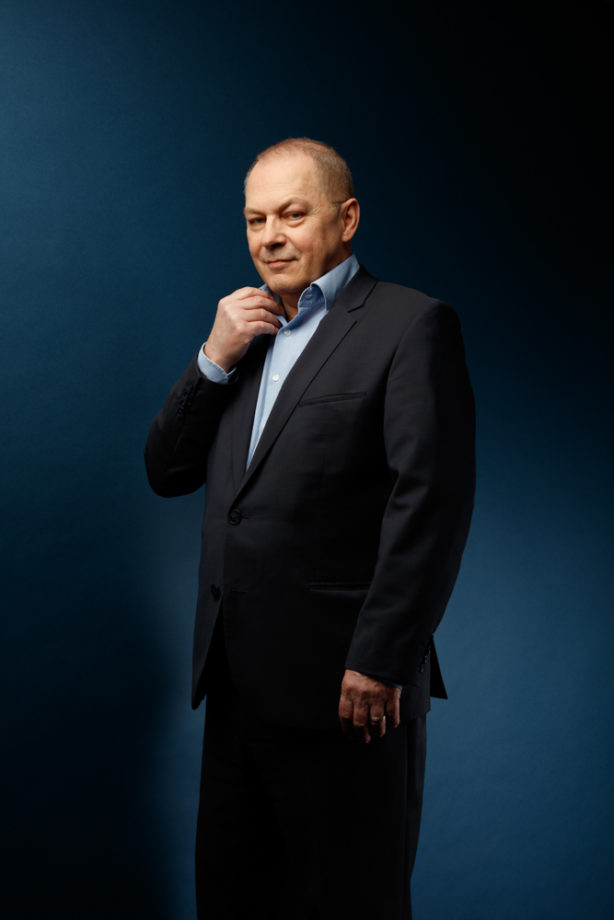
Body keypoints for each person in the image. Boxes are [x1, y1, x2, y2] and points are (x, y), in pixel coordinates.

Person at [145, 137, 475, 919]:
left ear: (346, 218)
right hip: (235, 685)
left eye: (292, 214)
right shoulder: (243, 334)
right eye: (255, 219)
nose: (271, 236)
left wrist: (382, 658)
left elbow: (431, 499)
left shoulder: (411, 324)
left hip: (350, 693)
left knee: (348, 902)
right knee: (235, 899)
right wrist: (212, 358)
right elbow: (167, 471)